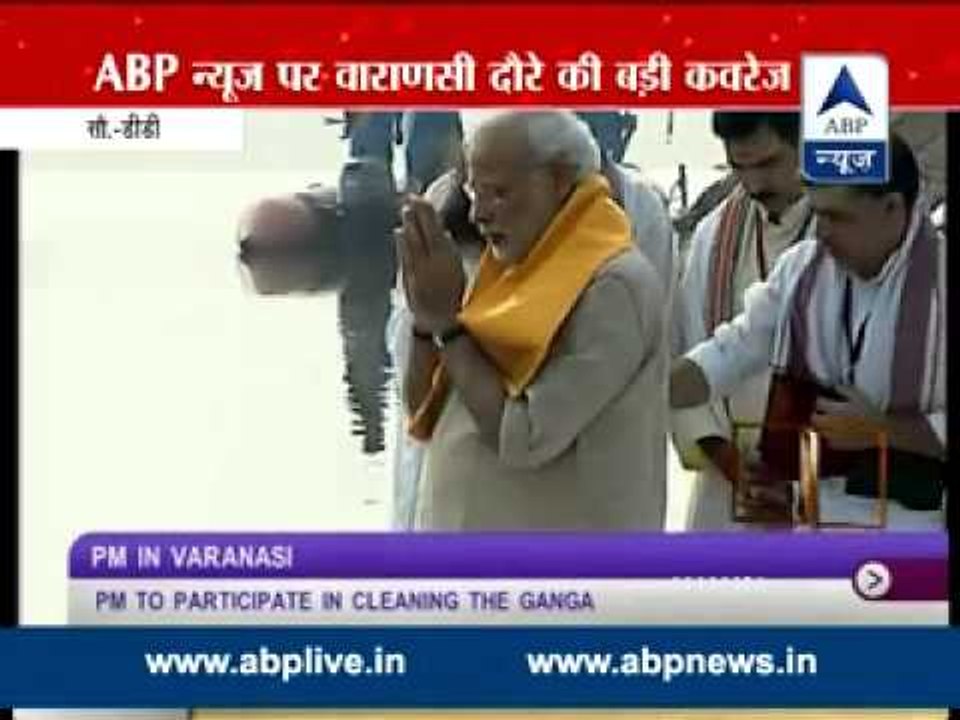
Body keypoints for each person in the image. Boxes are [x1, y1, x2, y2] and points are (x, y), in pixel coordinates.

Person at [397, 110, 667, 530]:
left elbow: (522, 437)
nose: (478, 214)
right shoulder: (496, 266)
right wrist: (423, 318)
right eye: (474, 191)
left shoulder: (615, 286)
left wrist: (450, 326)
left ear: (560, 181)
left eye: (499, 192)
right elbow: (419, 410)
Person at [670, 134, 946, 529]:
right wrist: (652, 386)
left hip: (912, 538)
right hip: (805, 524)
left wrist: (884, 431)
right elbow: (733, 349)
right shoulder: (803, 268)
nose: (823, 232)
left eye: (839, 218)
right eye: (819, 215)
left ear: (892, 207)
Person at [671, 112, 816, 529]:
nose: (753, 185)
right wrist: (728, 460)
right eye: (739, 167)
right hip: (729, 483)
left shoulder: (851, 233)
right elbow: (687, 349)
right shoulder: (714, 234)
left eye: (769, 164)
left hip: (828, 481)